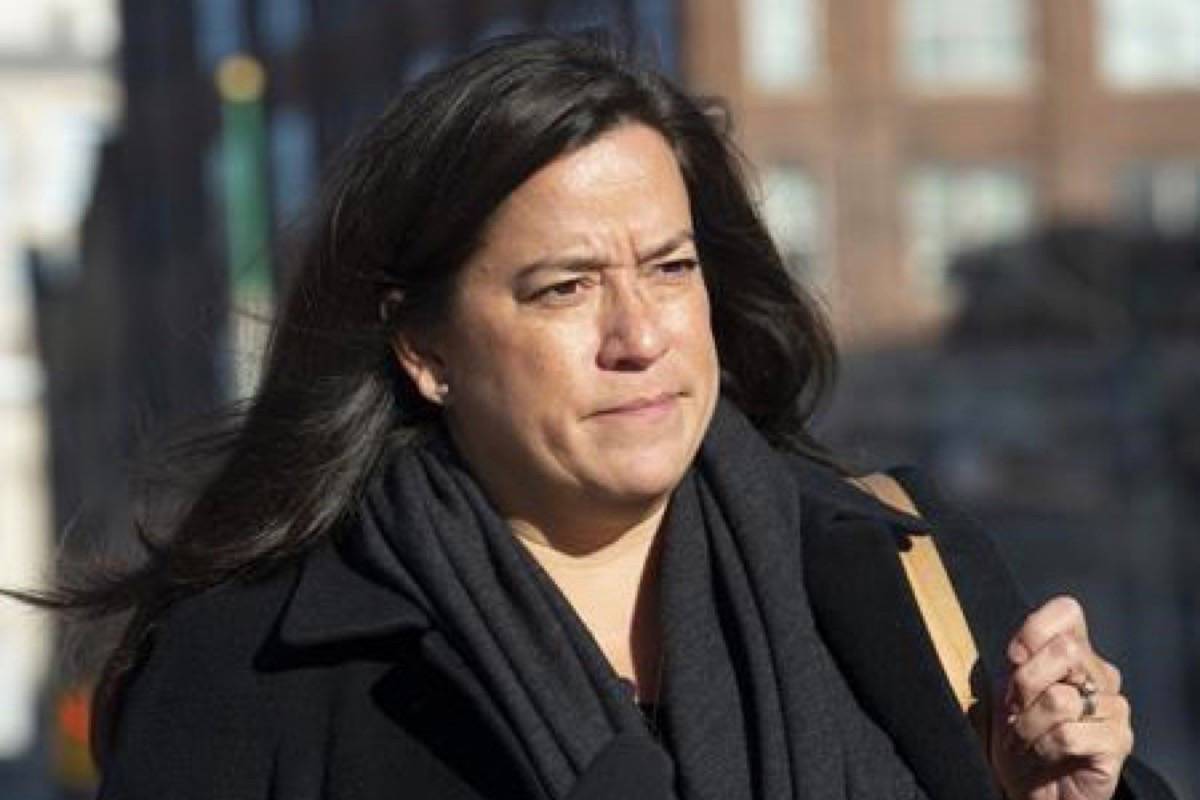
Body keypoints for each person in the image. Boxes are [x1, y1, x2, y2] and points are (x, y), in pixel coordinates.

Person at [31, 32, 1178, 800]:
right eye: (565, 286)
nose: (641, 333)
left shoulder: (901, 572)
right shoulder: (246, 671)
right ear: (425, 347)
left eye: (669, 268)